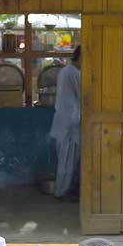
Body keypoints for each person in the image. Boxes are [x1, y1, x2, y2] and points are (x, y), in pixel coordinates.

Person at [49, 46, 82, 200]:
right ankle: (62, 192)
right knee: (68, 161)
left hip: (63, 120)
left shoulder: (65, 71)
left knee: (64, 160)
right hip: (70, 122)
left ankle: (61, 190)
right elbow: (83, 95)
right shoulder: (73, 73)